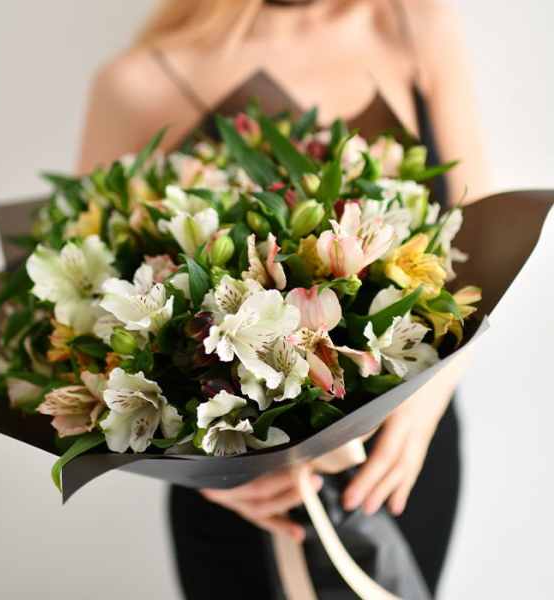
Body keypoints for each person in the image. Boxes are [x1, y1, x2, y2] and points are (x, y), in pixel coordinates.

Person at [77, 1, 491, 596]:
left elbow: (485, 248)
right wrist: (217, 480)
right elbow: (89, 319)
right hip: (238, 484)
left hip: (401, 459)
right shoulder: (139, 81)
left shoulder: (413, 25)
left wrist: (425, 408)